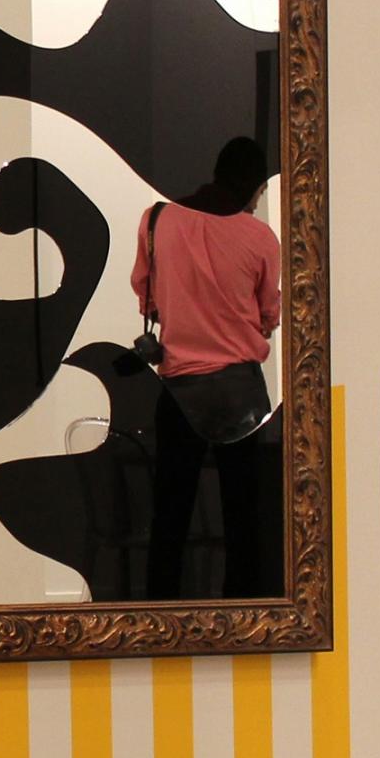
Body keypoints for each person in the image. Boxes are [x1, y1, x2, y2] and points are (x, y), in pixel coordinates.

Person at [132, 136, 281, 598]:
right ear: (251, 185)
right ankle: (245, 616)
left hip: (179, 387)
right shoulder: (259, 238)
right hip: (240, 391)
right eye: (259, 192)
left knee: (170, 515)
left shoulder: (157, 220)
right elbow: (268, 315)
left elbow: (146, 296)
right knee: (243, 518)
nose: (256, 202)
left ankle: (160, 616)